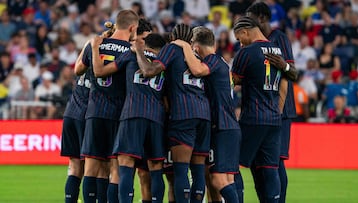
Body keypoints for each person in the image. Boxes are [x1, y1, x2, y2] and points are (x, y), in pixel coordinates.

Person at [134, 23, 211, 203]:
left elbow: (151, 71)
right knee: (199, 171)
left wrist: (138, 52)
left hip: (183, 114)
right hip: (204, 115)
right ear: (191, 40)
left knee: (180, 170)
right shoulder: (197, 55)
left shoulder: (172, 49)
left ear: (172, 38)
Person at [74, 10, 139, 203]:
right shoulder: (131, 51)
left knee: (91, 168)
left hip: (94, 111)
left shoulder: (97, 43)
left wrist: (93, 46)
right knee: (115, 170)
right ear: (132, 27)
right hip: (119, 114)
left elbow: (78, 70)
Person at [172, 26, 241, 203]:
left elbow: (197, 71)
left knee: (217, 179)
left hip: (223, 127)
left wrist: (184, 46)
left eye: (192, 47)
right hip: (229, 126)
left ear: (196, 47)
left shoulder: (212, 60)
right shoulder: (221, 62)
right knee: (227, 180)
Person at [246, 2, 298, 203]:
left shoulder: (279, 39)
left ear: (262, 18)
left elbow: (291, 74)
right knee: (257, 161)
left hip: (280, 111)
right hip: (259, 111)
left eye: (250, 17)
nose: (247, 22)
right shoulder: (252, 44)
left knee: (275, 161)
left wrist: (283, 65)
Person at [231, 16, 283, 203]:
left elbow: (233, 81)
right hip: (274, 119)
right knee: (269, 169)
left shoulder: (247, 52)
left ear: (245, 32)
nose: (240, 43)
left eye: (239, 38)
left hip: (253, 117)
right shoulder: (278, 50)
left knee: (232, 164)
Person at [60, 41, 91, 203]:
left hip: (70, 114)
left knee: (74, 166)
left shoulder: (81, 65)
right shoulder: (101, 66)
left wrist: (89, 43)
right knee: (92, 168)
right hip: (86, 117)